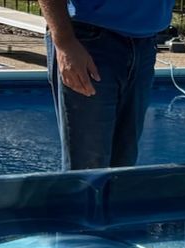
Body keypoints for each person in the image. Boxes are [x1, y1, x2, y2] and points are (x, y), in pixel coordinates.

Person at [38, 0, 173, 170]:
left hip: (145, 41)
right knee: (87, 170)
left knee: (123, 168)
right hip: (89, 41)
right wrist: (64, 42)